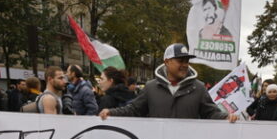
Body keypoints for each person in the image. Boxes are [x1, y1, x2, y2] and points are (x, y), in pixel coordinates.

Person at [99, 44, 238, 122]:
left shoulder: (199, 88)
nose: (185, 65)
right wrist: (111, 112)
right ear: (167, 61)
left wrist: (226, 116)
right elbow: (134, 110)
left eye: (186, 61)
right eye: (180, 61)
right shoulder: (151, 87)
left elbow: (210, 113)